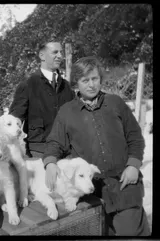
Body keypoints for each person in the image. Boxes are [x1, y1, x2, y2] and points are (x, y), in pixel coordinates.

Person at [43, 56, 150, 236]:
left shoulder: (115, 103)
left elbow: (135, 137)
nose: (91, 84)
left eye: (95, 79)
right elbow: (54, 142)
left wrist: (133, 165)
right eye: (85, 80)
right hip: (93, 192)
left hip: (124, 186)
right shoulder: (67, 112)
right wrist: (50, 162)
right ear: (76, 83)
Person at [9, 41, 75, 158]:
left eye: (61, 52)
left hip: (67, 152)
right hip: (39, 152)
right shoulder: (27, 85)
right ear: (42, 56)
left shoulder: (67, 87)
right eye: (55, 52)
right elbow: (13, 121)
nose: (60, 56)